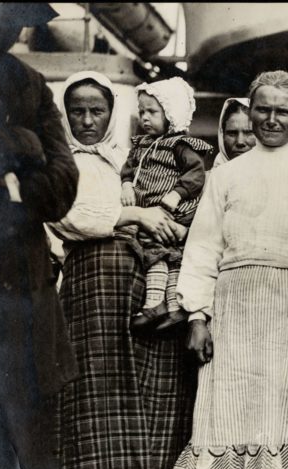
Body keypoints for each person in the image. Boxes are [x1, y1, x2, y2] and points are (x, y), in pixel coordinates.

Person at [170, 70, 288, 469]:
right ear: (249, 112)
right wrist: (198, 317)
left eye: (283, 111)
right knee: (233, 410)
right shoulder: (224, 176)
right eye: (263, 110)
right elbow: (202, 249)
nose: (272, 120)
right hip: (234, 311)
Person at [48, 71, 197, 469]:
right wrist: (134, 215)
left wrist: (167, 224)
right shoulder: (59, 161)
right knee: (95, 391)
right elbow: (68, 216)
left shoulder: (130, 158)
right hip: (91, 291)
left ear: (114, 113)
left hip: (138, 282)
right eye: (77, 111)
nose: (88, 120)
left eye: (98, 110)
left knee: (152, 388)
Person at [0, 3, 80, 469]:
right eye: (4, 14)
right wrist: (20, 143)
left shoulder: (31, 83)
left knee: (30, 428)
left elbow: (63, 185)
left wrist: (11, 186)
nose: (13, 29)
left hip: (23, 284)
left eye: (21, 20)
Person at [120, 77, 213, 329]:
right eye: (141, 111)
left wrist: (177, 194)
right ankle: (172, 307)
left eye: (152, 111)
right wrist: (127, 184)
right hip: (150, 210)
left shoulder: (180, 145)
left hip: (172, 210)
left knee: (157, 251)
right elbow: (127, 170)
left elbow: (196, 175)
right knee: (165, 256)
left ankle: (155, 304)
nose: (145, 118)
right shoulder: (140, 146)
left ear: (171, 114)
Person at [213, 97, 256, 168]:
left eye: (248, 133)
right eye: (232, 133)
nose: (240, 142)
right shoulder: (211, 178)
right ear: (222, 136)